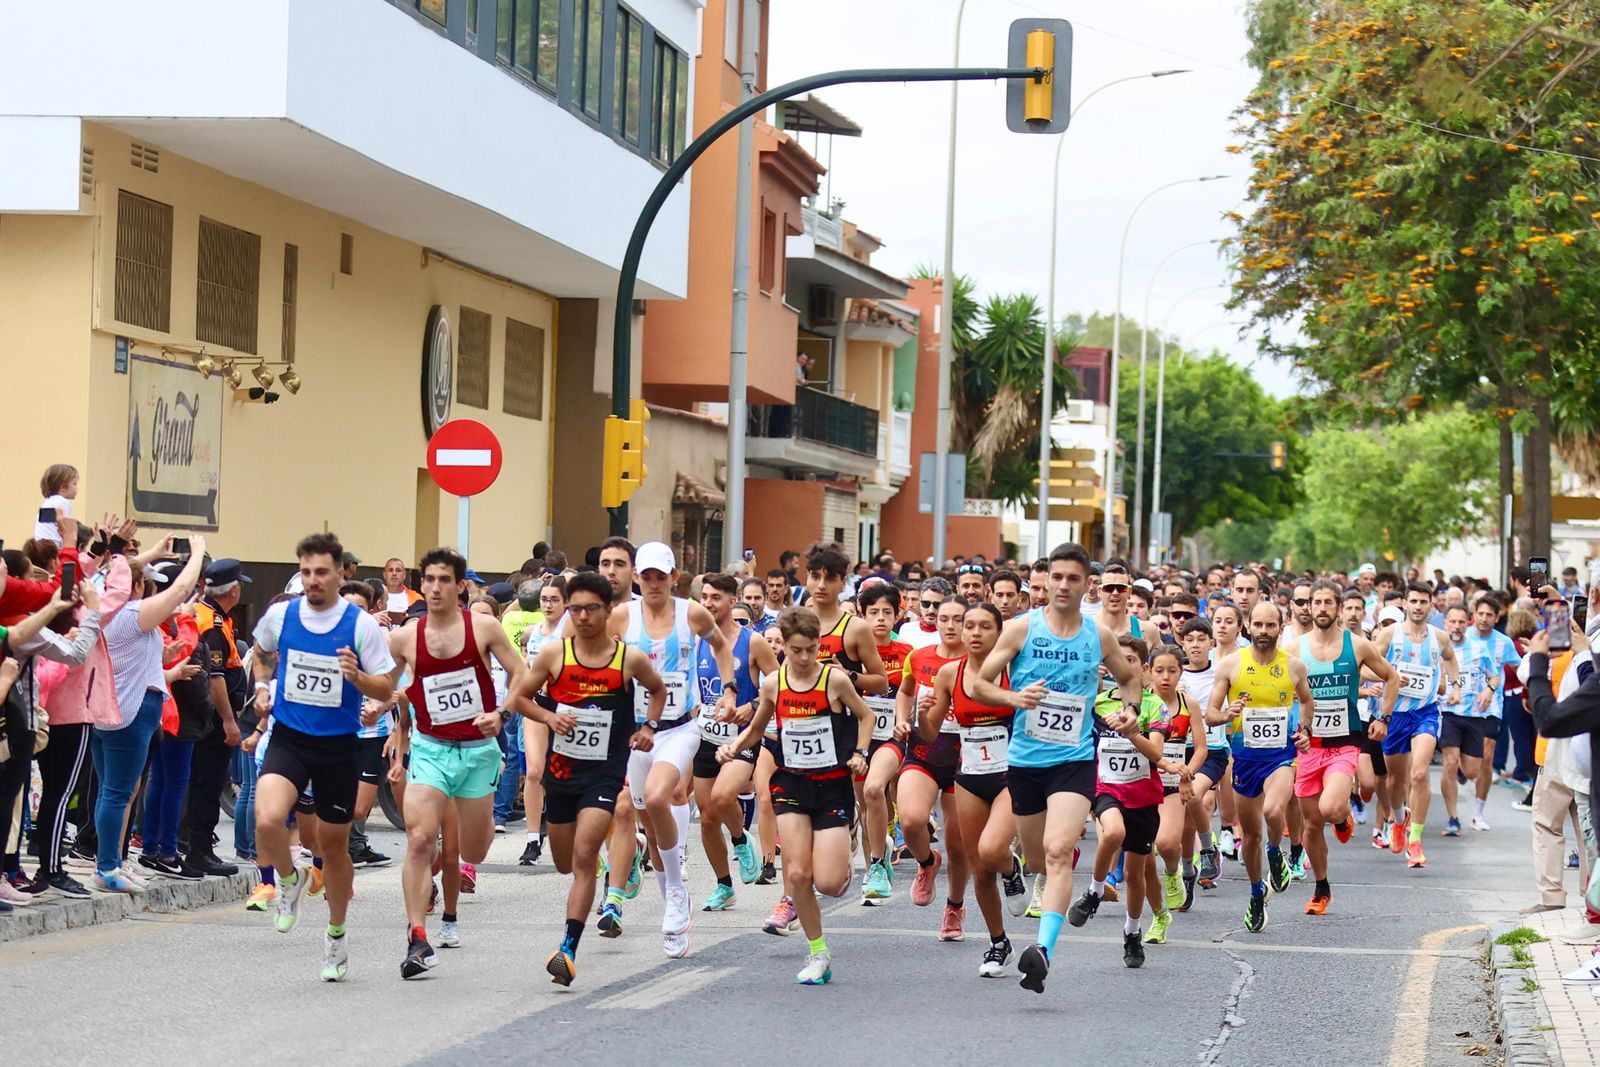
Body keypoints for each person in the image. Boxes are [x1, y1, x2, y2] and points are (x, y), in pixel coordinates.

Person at [966, 544, 1146, 994]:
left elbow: (1128, 679)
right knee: (1034, 858)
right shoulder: (1021, 629)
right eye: (1056, 578)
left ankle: (1042, 950)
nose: (1063, 586)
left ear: (1089, 585)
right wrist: (1014, 699)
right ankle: (1013, 874)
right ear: (1044, 582)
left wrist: (1130, 710)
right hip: (1025, 762)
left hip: (1074, 759)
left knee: (1059, 849)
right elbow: (978, 683)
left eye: (1073, 578)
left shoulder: (1098, 636)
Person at [252, 532, 397, 983]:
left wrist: (358, 678)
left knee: (334, 849)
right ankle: (288, 881)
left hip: (338, 746)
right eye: (306, 572)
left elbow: (387, 686)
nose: (313, 580)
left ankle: (336, 937)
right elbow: (260, 655)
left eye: (322, 572)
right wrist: (261, 687)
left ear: (339, 574)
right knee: (267, 819)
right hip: (290, 738)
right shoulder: (281, 615)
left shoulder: (360, 625)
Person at [515, 571, 666, 986]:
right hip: (562, 774)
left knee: (584, 859)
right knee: (565, 863)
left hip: (604, 773)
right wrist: (550, 717)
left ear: (608, 610)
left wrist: (648, 727)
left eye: (591, 609)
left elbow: (657, 690)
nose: (582, 616)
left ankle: (567, 948)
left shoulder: (627, 659)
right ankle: (626, 850)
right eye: (575, 608)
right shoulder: (554, 655)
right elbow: (519, 698)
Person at [388, 547, 526, 978]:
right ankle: (417, 937)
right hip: (431, 749)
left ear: (460, 586)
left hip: (478, 751)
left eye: (444, 580)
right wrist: (389, 721)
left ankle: (456, 855)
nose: (434, 587)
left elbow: (523, 675)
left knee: (475, 849)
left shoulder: (483, 627)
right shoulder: (406, 637)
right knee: (418, 840)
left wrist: (501, 713)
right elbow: (392, 685)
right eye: (427, 579)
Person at [716, 607, 872, 985]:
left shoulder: (833, 681)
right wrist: (733, 748)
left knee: (830, 882)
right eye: (798, 649)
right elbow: (756, 727)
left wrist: (860, 753)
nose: (805, 658)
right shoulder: (775, 683)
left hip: (833, 785)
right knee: (799, 874)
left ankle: (844, 857)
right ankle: (818, 953)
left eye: (812, 649)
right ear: (783, 645)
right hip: (792, 786)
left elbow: (865, 716)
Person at [611, 540, 735, 958]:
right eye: (645, 576)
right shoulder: (621, 617)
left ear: (674, 578)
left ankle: (678, 890)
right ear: (636, 578)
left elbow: (720, 645)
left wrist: (729, 689)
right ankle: (672, 902)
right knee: (645, 814)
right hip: (636, 733)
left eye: (660, 576)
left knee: (661, 797)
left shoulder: (691, 613)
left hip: (680, 728)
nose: (652, 584)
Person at [1068, 637, 1189, 967]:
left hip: (1144, 797)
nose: (1126, 667)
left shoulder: (1153, 706)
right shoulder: (1099, 702)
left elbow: (1157, 753)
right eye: (1119, 661)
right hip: (1107, 789)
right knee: (1112, 833)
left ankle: (1132, 933)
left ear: (1144, 668)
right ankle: (1093, 891)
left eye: (1132, 661)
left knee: (1136, 874)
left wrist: (1132, 732)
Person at [96, 540, 207, 893]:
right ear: (138, 586)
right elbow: (182, 588)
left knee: (112, 792)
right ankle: (107, 866)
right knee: (118, 793)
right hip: (132, 710)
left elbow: (131, 659)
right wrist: (198, 552)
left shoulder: (103, 610)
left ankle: (111, 860)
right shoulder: (130, 614)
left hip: (112, 707)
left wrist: (164, 658)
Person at [925, 600, 1027, 976]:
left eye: (985, 626)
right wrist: (922, 714)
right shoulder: (950, 674)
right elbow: (931, 731)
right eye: (969, 626)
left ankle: (1011, 866)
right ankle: (998, 942)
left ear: (999, 633)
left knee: (991, 849)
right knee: (979, 869)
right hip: (969, 775)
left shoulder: (1014, 672)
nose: (975, 633)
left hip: (1011, 775)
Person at [1205, 601, 1316, 934]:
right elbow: (1210, 712)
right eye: (1259, 625)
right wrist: (1226, 714)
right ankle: (1256, 892)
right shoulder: (1230, 665)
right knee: (1249, 837)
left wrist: (1305, 730)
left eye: (1271, 626)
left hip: (1281, 756)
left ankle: (1276, 851)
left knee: (1273, 810)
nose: (1264, 632)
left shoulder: (1294, 667)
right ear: (1247, 627)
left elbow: (1307, 700)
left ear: (1280, 628)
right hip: (1245, 760)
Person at [1295, 579, 1396, 914]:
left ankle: (1342, 818)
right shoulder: (1296, 649)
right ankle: (1321, 888)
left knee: (1330, 807)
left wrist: (1384, 717)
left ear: (1338, 607)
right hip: (1309, 745)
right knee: (1310, 825)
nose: (1321, 608)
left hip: (1346, 742)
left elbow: (1391, 677)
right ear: (1308, 607)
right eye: (1316, 602)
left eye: (1328, 602)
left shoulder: (1358, 645)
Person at [691, 572, 775, 910]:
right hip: (706, 734)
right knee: (708, 816)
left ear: (732, 599)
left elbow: (779, 683)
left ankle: (740, 839)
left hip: (743, 736)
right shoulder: (696, 640)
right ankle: (724, 885)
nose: (708, 604)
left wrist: (751, 706)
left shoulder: (752, 642)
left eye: (716, 598)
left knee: (724, 795)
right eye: (704, 597)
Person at [896, 593, 970, 939]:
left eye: (959, 619)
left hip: (964, 764)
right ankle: (927, 862)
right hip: (923, 752)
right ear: (935, 622)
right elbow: (905, 690)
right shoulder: (919, 656)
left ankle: (954, 907)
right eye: (945, 619)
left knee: (958, 844)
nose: (951, 625)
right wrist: (903, 718)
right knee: (910, 821)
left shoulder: (978, 661)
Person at [1381, 581, 1463, 868]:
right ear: (1405, 603)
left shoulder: (1439, 637)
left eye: (1423, 602)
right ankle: (1398, 820)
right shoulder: (1390, 635)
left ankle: (1415, 840)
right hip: (1394, 715)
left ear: (1431, 605)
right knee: (1395, 780)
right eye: (1413, 601)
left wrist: (1455, 685)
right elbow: (1367, 666)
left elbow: (1451, 659)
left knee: (1418, 774)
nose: (1417, 607)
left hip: (1426, 712)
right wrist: (1390, 675)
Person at [1441, 598, 1518, 835]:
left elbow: (1517, 668)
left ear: (1498, 617)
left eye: (1489, 615)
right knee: (1450, 761)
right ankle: (1453, 818)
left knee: (1479, 764)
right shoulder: (1447, 641)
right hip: (1451, 711)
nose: (1484, 619)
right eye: (1480, 614)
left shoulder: (1500, 644)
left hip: (1487, 708)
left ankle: (1477, 809)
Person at [858, 581, 911, 903]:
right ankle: (872, 873)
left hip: (894, 736)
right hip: (860, 737)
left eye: (886, 613)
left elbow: (916, 693)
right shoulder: (854, 651)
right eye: (873, 612)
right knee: (865, 807)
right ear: (862, 615)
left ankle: (878, 859)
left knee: (875, 790)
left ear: (897, 616)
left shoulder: (907, 653)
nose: (880, 618)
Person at [518, 576, 567, 865]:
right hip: (536, 705)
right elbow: (526, 664)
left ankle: (566, 831)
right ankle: (533, 840)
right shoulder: (532, 631)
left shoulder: (569, 629)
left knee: (562, 773)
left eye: (554, 600)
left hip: (565, 707)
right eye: (544, 600)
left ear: (565, 603)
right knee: (534, 771)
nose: (548, 605)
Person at [380, 558, 422, 625]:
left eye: (398, 570)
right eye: (390, 570)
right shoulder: (375, 597)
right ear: (384, 575)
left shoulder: (417, 599)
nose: (394, 574)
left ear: (404, 575)